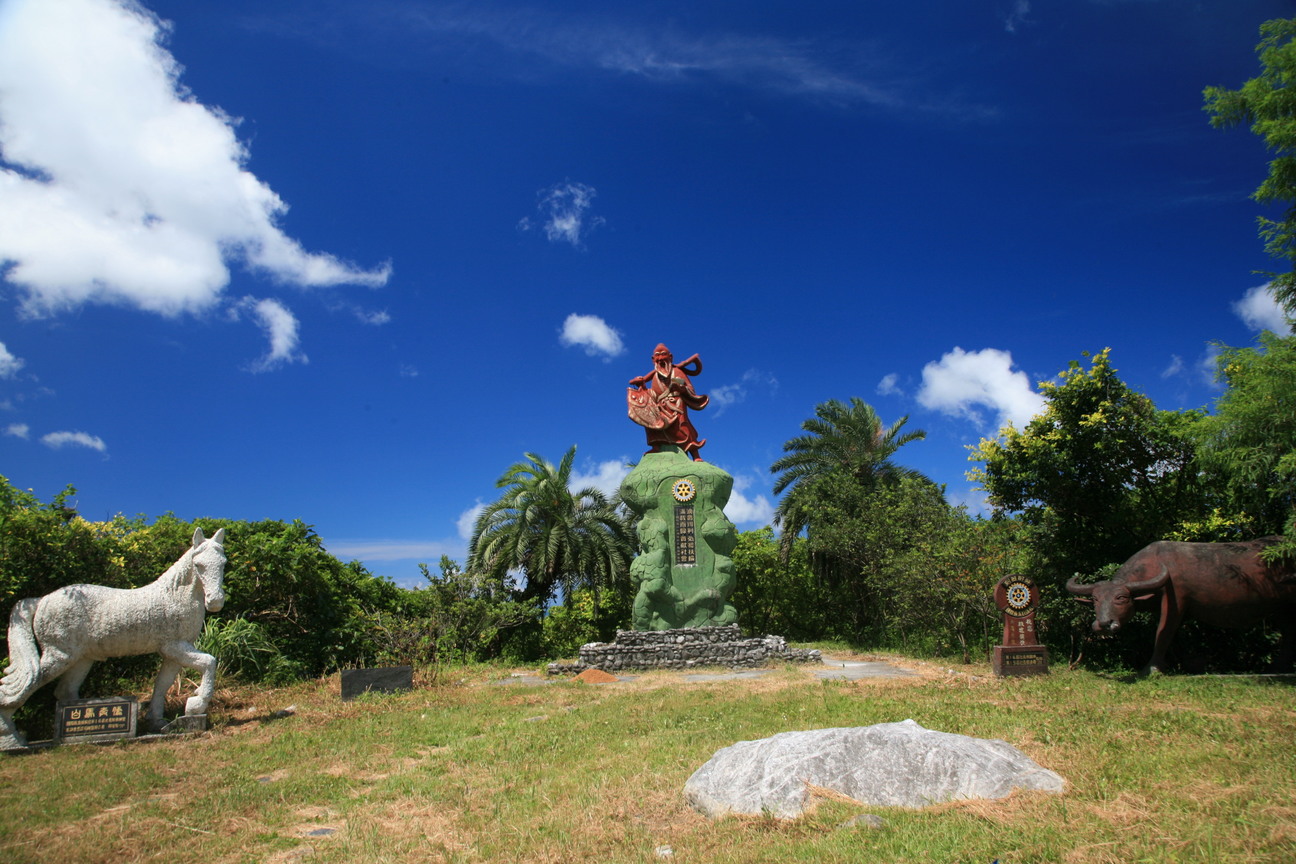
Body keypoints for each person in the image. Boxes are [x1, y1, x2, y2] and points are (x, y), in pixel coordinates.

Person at [627, 344, 709, 460]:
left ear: (670, 357)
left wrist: (682, 388)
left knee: (682, 426)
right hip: (661, 406)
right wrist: (643, 387)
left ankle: (695, 455)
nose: (660, 358)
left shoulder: (677, 371)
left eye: (663, 355)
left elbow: (690, 389)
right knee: (652, 422)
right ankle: (657, 446)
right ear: (653, 359)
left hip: (676, 404)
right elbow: (653, 393)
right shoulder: (655, 376)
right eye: (657, 356)